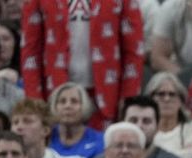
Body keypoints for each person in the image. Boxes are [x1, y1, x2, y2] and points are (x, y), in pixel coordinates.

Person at [21, 0, 144, 128]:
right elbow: (30, 50)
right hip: (56, 93)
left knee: (104, 145)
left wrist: (129, 96)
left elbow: (134, 50)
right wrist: (33, 98)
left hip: (106, 95)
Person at [120, 96, 190, 158]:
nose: (139, 126)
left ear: (157, 127)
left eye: (146, 121)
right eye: (133, 120)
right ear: (122, 124)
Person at [145, 72, 192, 158]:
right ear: (150, 99)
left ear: (181, 101)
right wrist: (186, 152)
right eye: (161, 94)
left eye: (172, 94)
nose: (167, 99)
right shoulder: (143, 130)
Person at [47, 83, 104, 158]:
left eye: (74, 101)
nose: (68, 106)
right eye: (62, 101)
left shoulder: (100, 141)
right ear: (54, 107)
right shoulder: (45, 138)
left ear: (84, 106)